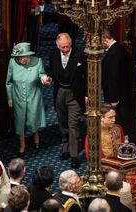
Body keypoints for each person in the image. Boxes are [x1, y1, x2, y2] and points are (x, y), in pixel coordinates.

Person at [48, 33, 87, 169]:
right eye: (62, 47)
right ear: (58, 46)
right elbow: (52, 71)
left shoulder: (80, 55)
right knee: (63, 122)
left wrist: (87, 95)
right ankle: (66, 149)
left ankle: (75, 156)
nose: (65, 49)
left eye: (67, 46)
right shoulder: (53, 54)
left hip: (75, 94)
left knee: (73, 124)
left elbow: (87, 76)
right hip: (59, 92)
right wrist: (49, 78)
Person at [6, 42, 50, 156]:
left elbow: (42, 74)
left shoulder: (37, 61)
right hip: (18, 97)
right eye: (19, 57)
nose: (22, 59)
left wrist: (44, 78)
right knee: (19, 121)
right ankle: (22, 145)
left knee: (33, 117)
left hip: (33, 96)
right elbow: (9, 82)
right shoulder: (12, 62)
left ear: (29, 55)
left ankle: (36, 136)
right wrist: (10, 98)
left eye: (24, 57)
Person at [101, 28, 132, 141]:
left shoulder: (114, 53)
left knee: (118, 121)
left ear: (104, 39)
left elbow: (113, 77)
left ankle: (121, 143)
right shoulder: (117, 49)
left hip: (116, 97)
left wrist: (114, 98)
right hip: (119, 94)